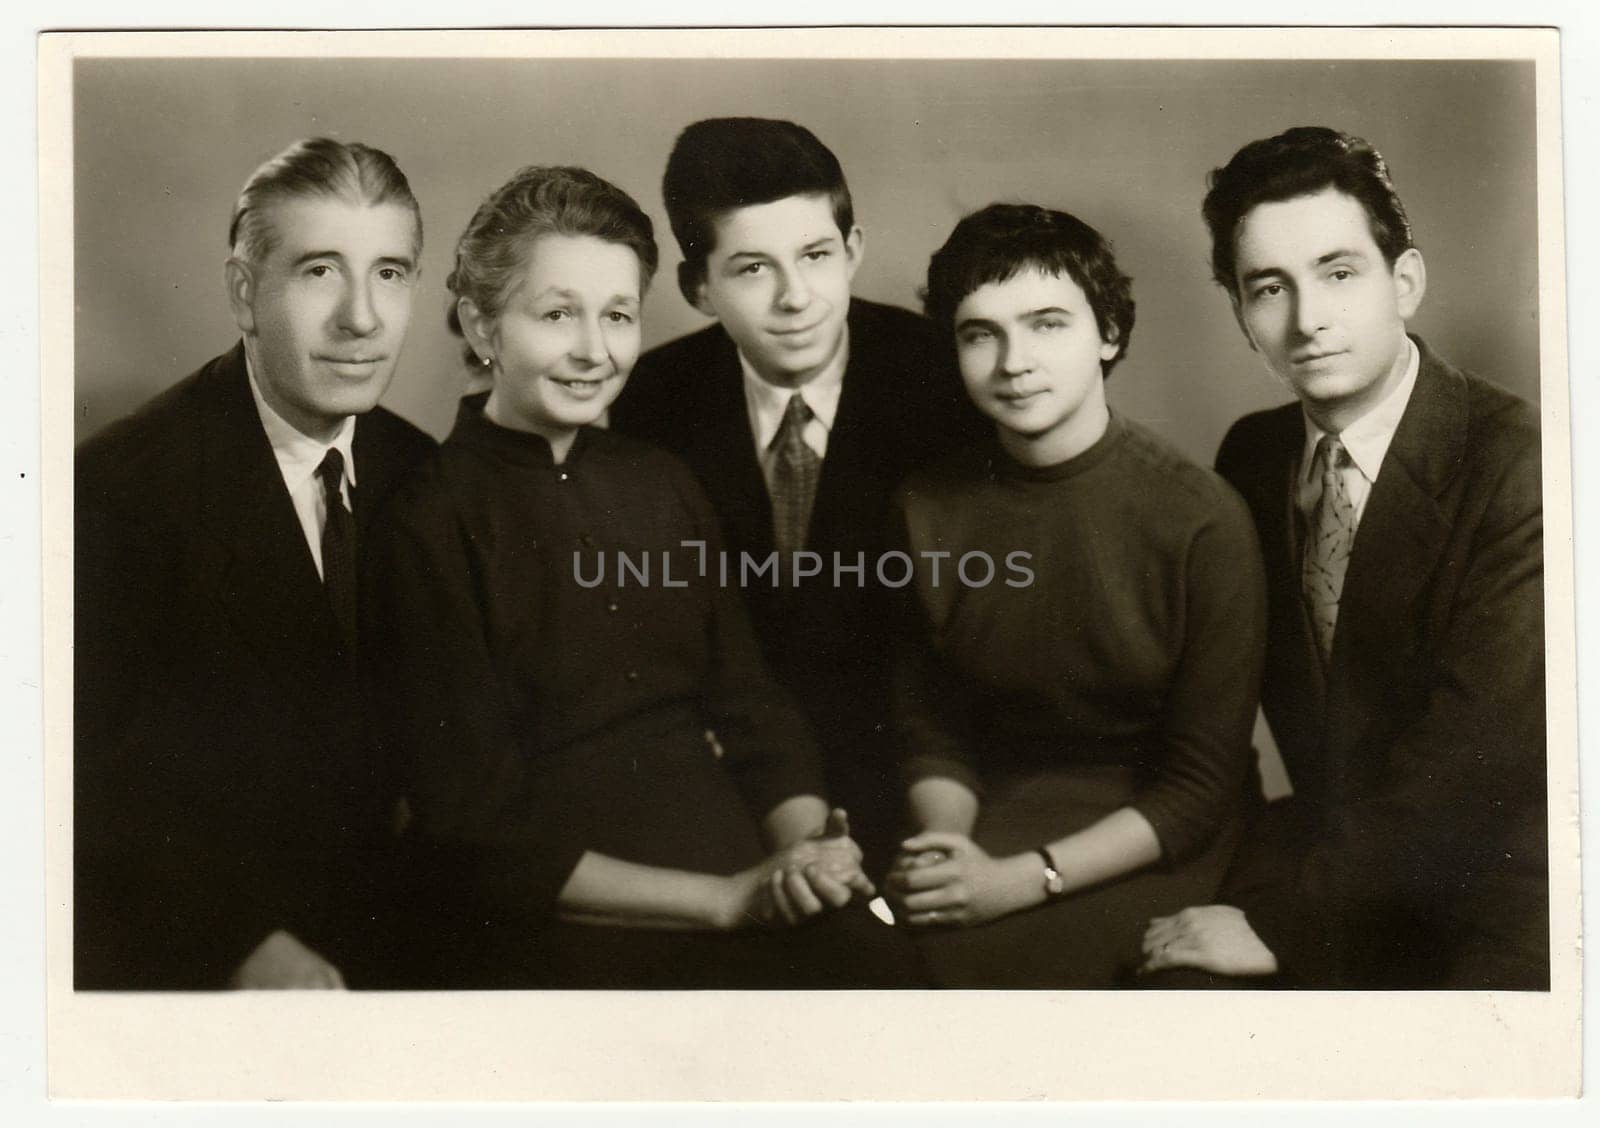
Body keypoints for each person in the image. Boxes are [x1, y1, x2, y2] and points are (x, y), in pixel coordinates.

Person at [362, 165, 922, 989]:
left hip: (729, 845)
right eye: (558, 315)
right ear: (482, 326)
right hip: (559, 903)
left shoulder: (659, 480)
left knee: (888, 986)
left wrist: (808, 846)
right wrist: (726, 902)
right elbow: (472, 824)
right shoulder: (428, 520)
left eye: (618, 315)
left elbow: (751, 705)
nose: (596, 351)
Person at [1141, 126, 1548, 989]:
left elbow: (1475, 763)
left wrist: (1286, 923)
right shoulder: (1251, 457)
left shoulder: (1518, 460)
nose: (1307, 319)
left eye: (1338, 273)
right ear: (1242, 314)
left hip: (1506, 880)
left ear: (1405, 281)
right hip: (1323, 850)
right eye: (1268, 289)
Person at [74, 138, 436, 989]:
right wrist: (238, 943)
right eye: (319, 272)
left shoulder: (423, 470)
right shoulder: (117, 493)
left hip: (400, 936)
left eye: (390, 273)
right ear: (245, 293)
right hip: (208, 959)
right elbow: (81, 792)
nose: (362, 318)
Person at [882, 203, 1267, 988]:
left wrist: (1018, 882)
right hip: (990, 806)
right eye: (979, 332)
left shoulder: (1201, 517)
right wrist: (951, 848)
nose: (1013, 361)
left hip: (1157, 831)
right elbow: (931, 724)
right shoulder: (924, 505)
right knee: (876, 974)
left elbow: (1201, 787)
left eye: (1047, 323)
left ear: (1109, 334)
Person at [608, 118, 983, 871]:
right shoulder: (650, 399)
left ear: (853, 251)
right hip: (731, 777)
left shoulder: (944, 382)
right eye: (751, 269)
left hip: (927, 772)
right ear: (698, 288)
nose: (796, 297)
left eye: (816, 256)